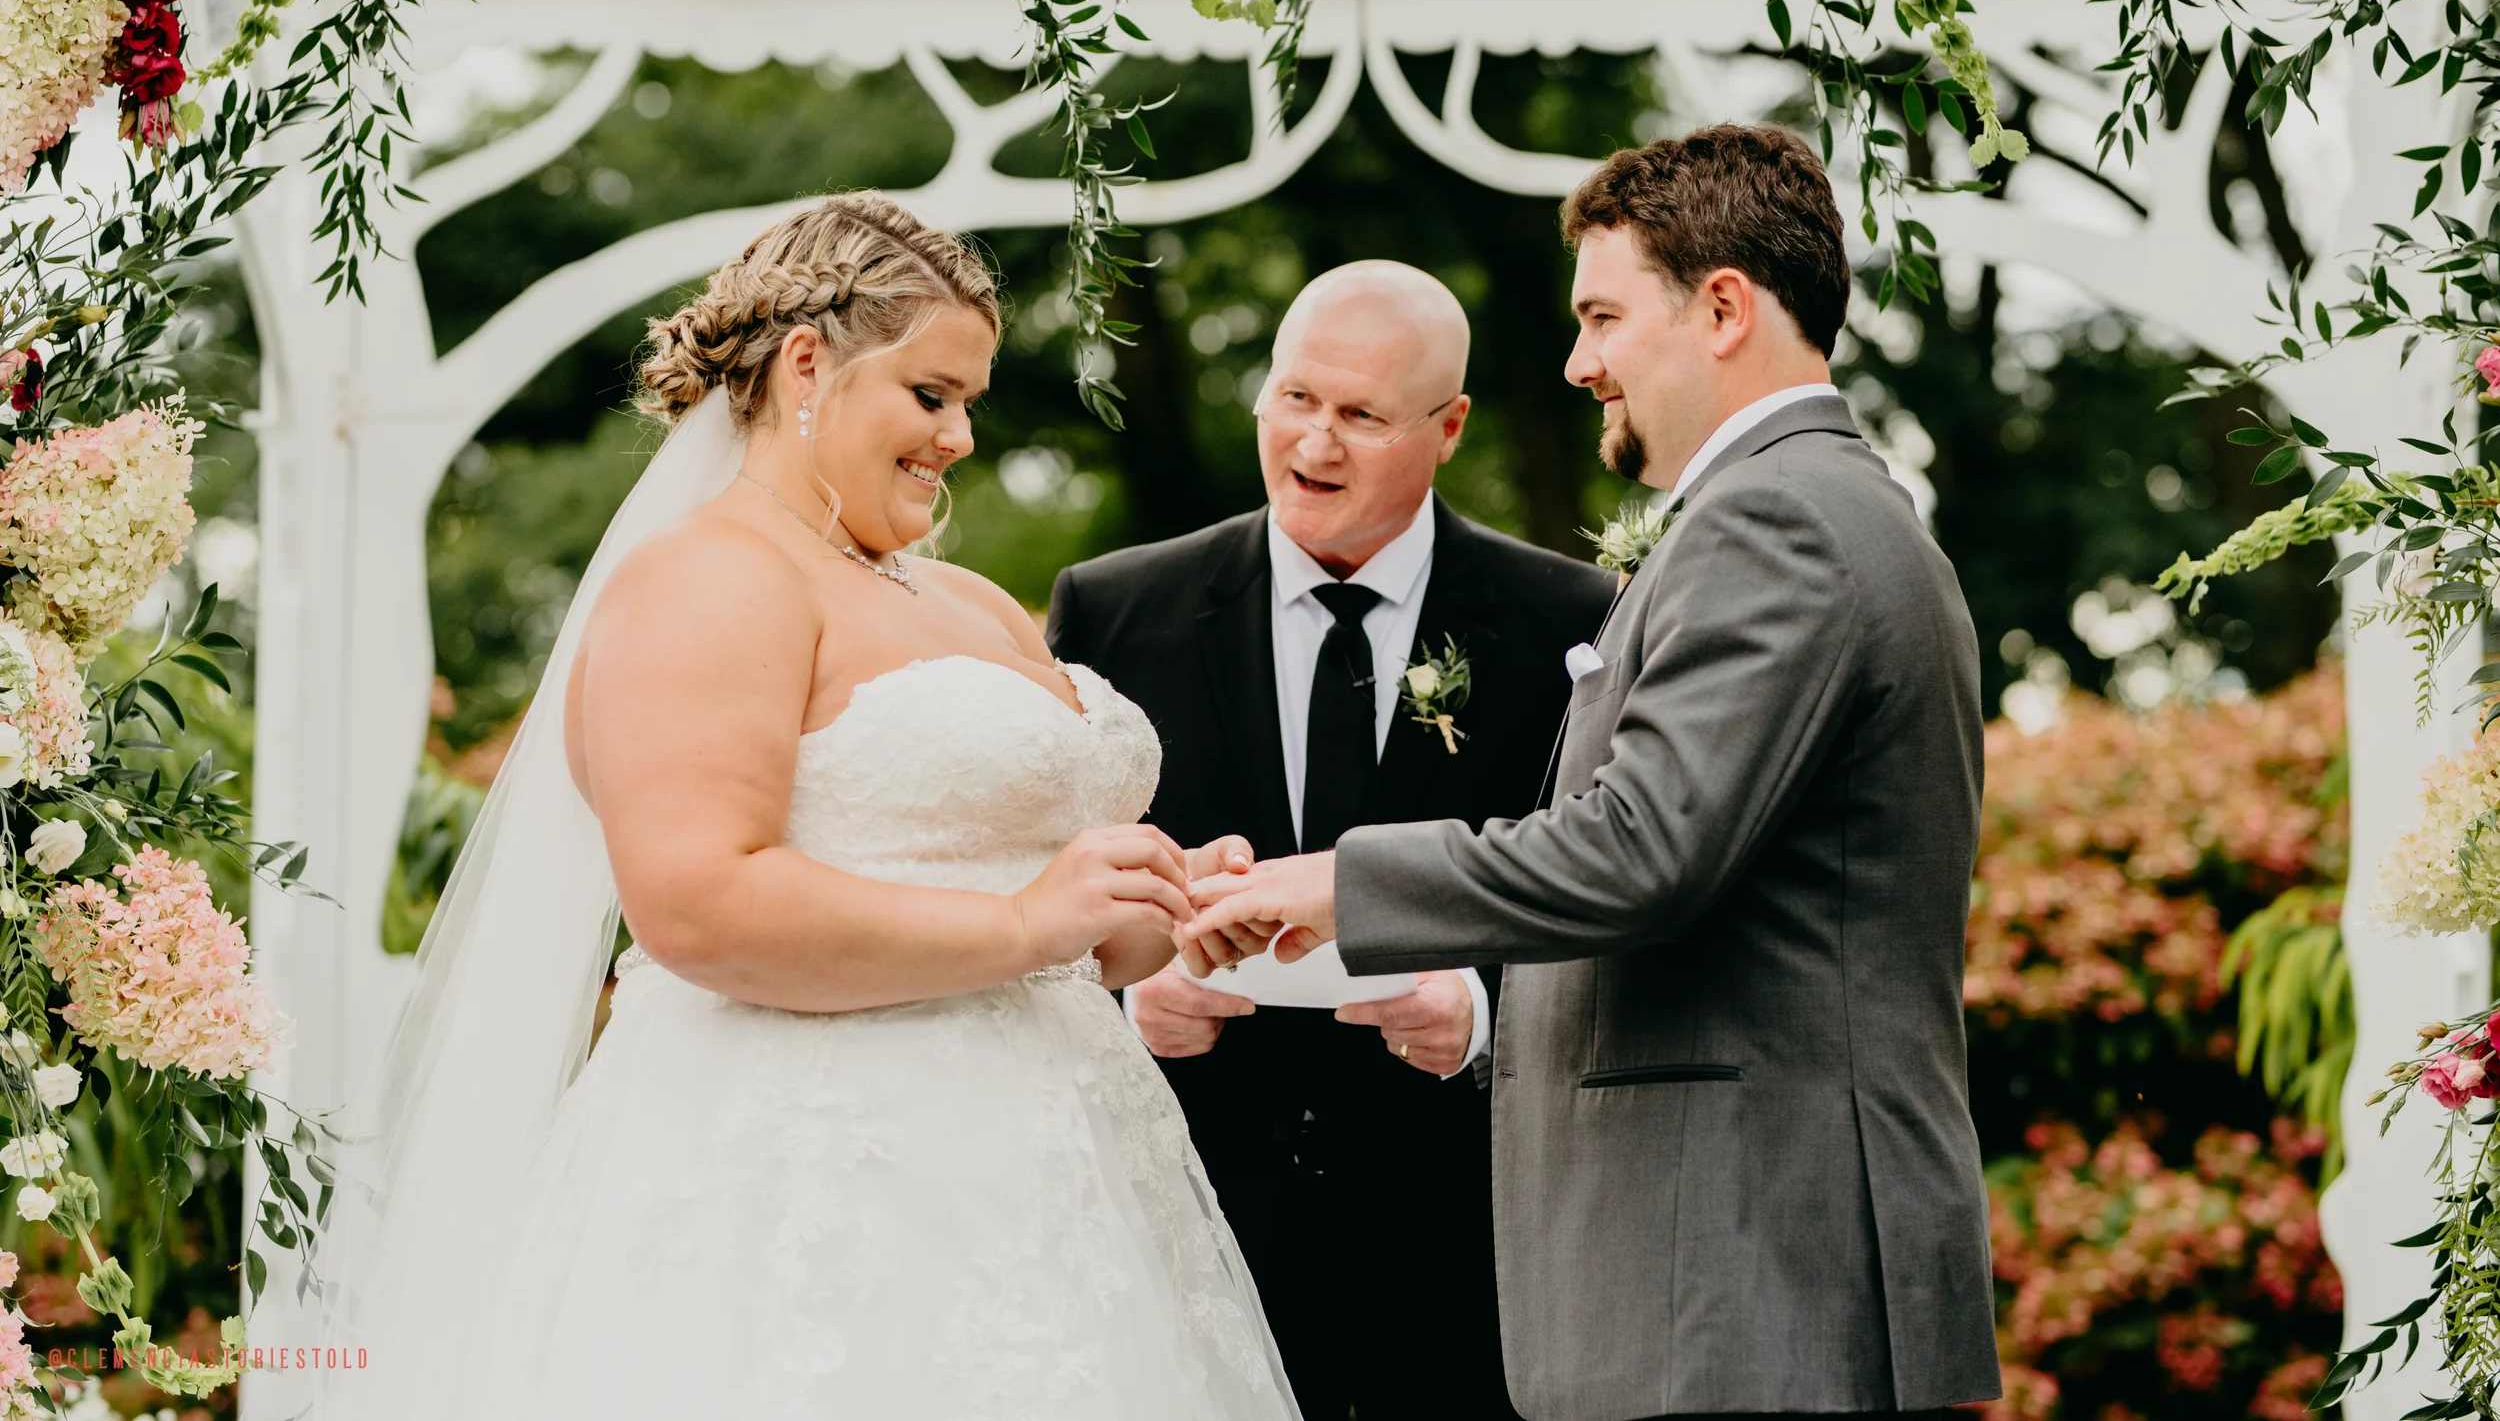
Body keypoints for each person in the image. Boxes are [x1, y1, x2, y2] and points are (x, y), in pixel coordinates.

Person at [319, 194, 1301, 1421]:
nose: (957, 438)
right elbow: (698, 904)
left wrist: (1168, 901)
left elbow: (1069, 921)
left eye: (971, 405)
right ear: (803, 365)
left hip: (1060, 1191)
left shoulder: (973, 603)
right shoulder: (707, 579)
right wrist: (1021, 928)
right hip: (818, 1193)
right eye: (930, 395)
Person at [1179, 128, 2001, 1421]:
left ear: (1723, 307)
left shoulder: (1777, 520)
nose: (1580, 363)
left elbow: (1640, 849)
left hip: (1745, 1269)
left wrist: (1339, 882)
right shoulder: (1822, 509)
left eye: (1605, 316)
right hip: (1735, 1272)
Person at [1048, 261, 1615, 1421]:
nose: (1315, 441)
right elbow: (1039, 893)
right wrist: (1124, 1003)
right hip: (1197, 1236)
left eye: (1360, 415)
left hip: (1470, 1253)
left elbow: (1611, 887)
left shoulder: (1574, 623)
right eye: (1295, 397)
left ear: (1447, 427)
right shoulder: (1112, 611)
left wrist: (1482, 1009)